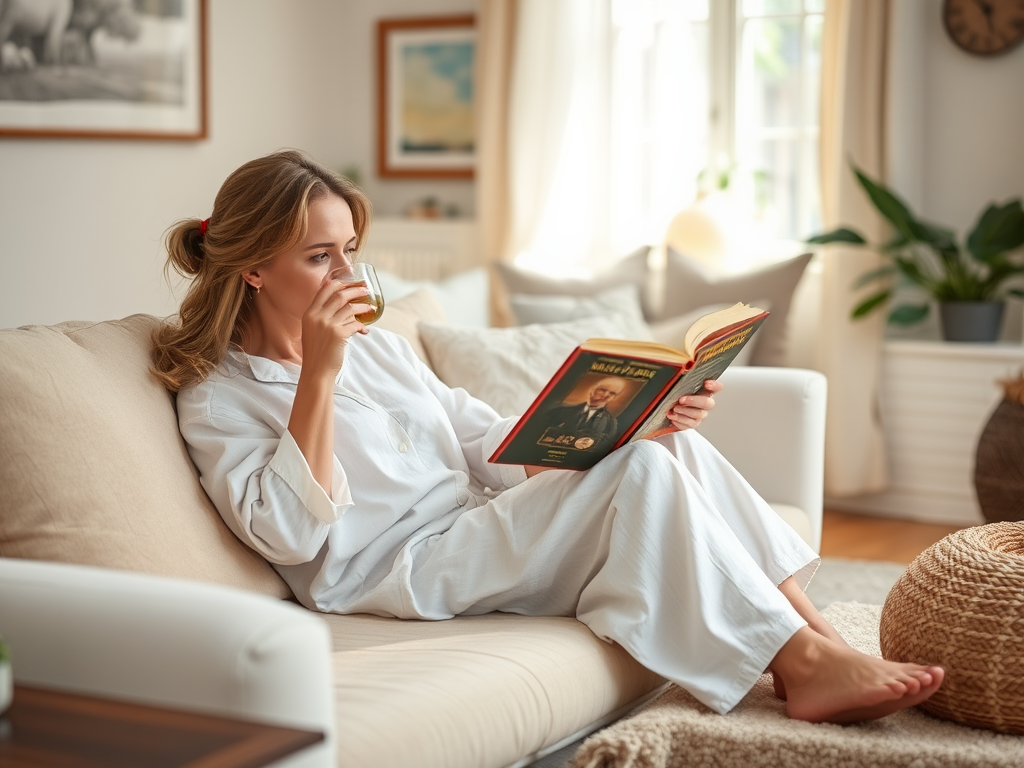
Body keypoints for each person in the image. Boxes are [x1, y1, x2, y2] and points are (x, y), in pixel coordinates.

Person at [152, 149, 943, 724]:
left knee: (665, 448)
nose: (347, 277)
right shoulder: (216, 394)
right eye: (319, 257)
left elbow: (480, 441)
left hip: (471, 525)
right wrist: (317, 377)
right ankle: (800, 667)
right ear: (254, 267)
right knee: (638, 478)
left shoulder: (380, 347)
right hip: (394, 569)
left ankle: (818, 636)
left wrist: (626, 417)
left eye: (351, 252)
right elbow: (288, 538)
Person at [542, 376, 625, 452]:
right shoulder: (561, 410)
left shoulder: (610, 423)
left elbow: (603, 447)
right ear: (592, 389)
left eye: (612, 393)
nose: (606, 395)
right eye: (602, 390)